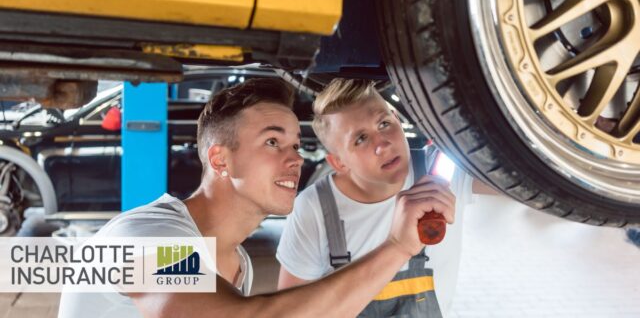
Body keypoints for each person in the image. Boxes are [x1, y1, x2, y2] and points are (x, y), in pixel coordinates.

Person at [58, 78, 455, 318]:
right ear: (220, 159)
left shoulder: (236, 265)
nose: (296, 157)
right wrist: (397, 246)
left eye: (296, 144)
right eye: (272, 141)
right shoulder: (147, 239)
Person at [276, 79, 478, 317]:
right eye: (360, 139)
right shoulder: (315, 208)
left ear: (396, 117)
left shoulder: (442, 171)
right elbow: (291, 312)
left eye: (383, 123)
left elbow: (521, 173)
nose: (382, 144)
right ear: (338, 162)